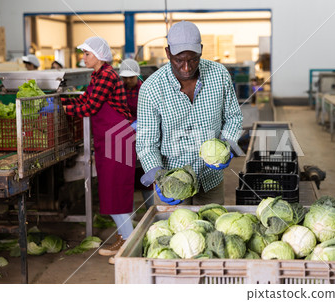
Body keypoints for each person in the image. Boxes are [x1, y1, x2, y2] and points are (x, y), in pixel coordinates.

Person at [136, 21, 243, 206]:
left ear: (201, 50)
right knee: (175, 232)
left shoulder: (219, 75)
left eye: (193, 59)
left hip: (211, 179)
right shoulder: (151, 89)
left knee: (212, 229)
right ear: (168, 53)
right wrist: (157, 176)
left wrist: (228, 146)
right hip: (173, 181)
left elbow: (233, 117)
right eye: (179, 60)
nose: (186, 67)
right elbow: (146, 142)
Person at [61, 37, 137, 265]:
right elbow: (86, 99)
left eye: (87, 54)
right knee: (112, 191)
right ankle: (125, 236)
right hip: (109, 138)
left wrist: (62, 108)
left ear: (99, 55)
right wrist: (60, 99)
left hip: (118, 138)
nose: (83, 57)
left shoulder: (106, 75)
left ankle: (130, 244)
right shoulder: (98, 75)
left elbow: (90, 107)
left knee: (116, 191)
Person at [119, 58, 154, 209]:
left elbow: (151, 113)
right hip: (124, 138)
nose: (127, 80)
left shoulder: (145, 90)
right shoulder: (119, 91)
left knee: (145, 176)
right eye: (124, 77)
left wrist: (139, 125)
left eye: (130, 77)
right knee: (127, 179)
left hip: (142, 138)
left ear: (137, 75)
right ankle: (130, 213)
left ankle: (151, 210)